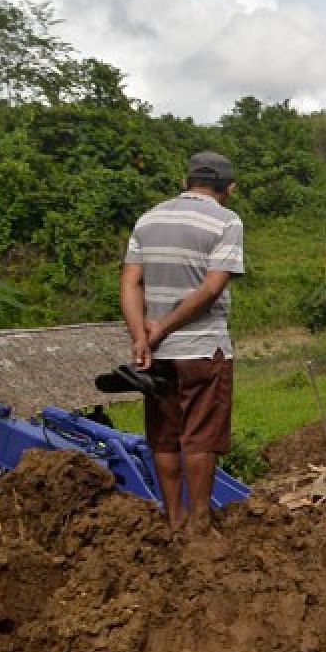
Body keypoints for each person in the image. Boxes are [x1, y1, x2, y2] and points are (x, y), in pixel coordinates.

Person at [119, 151, 243, 537]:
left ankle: (173, 521)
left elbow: (130, 282)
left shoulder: (148, 219)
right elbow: (212, 287)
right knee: (200, 437)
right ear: (229, 189)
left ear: (184, 182)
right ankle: (199, 524)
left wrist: (142, 334)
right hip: (203, 348)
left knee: (165, 437)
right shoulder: (227, 221)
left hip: (156, 354)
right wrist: (167, 326)